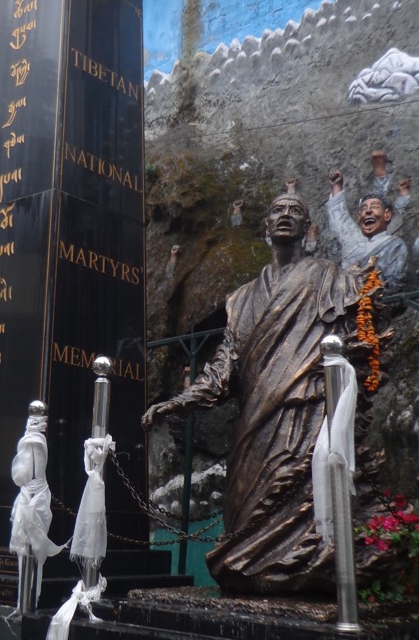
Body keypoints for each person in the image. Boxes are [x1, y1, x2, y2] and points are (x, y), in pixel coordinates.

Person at [142, 182, 368, 594]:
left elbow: (354, 346)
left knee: (299, 505)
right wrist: (178, 402)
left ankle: (305, 566)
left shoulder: (329, 279)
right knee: (245, 514)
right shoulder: (242, 299)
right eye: (277, 209)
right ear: (265, 225)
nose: (285, 214)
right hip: (253, 427)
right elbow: (222, 370)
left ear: (308, 226)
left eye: (294, 210)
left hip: (305, 414)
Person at [324, 169, 408, 289]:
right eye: (364, 208)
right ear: (359, 216)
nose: (368, 211)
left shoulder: (394, 244)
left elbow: (396, 281)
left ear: (387, 215)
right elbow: (339, 218)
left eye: (374, 207)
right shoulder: (353, 238)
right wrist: (336, 186)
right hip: (344, 296)